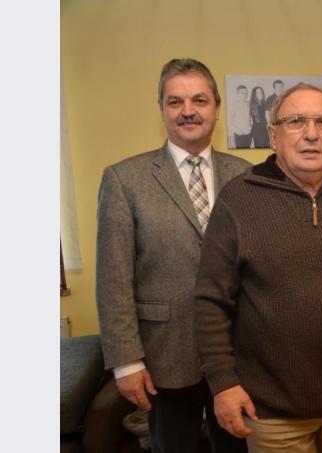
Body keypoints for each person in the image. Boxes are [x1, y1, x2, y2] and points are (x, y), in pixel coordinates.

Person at [194, 83, 322, 453]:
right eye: (296, 121)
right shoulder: (239, 199)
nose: (312, 133)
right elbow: (210, 302)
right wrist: (223, 384)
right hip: (273, 412)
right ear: (273, 134)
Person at [95, 58, 251, 453]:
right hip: (163, 353)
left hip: (238, 352)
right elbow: (113, 279)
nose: (188, 111)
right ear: (162, 109)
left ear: (216, 106)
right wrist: (126, 362)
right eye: (175, 101)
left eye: (199, 100)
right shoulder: (124, 179)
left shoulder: (247, 175)